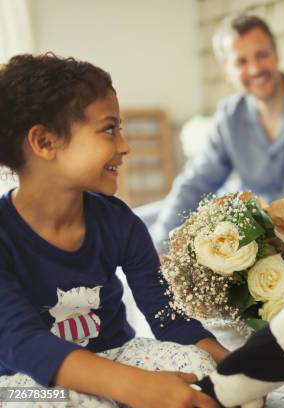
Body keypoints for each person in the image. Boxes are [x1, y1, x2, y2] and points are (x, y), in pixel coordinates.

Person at [0, 54, 226, 407]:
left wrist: (225, 360)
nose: (124, 145)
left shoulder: (118, 221)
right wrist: (134, 387)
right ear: (44, 142)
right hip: (24, 377)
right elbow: (22, 342)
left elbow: (167, 317)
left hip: (116, 354)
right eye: (109, 129)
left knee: (199, 365)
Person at [149, 14, 284, 253]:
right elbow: (195, 183)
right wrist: (159, 248)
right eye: (241, 62)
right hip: (254, 234)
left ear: (277, 54)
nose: (255, 69)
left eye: (262, 55)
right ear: (228, 71)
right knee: (148, 219)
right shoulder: (229, 117)